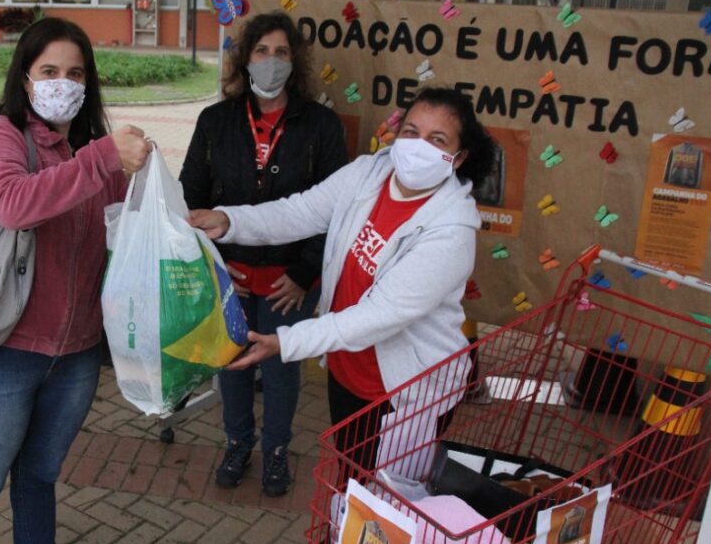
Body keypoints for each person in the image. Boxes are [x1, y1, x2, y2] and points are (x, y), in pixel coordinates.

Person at [190, 87, 495, 477]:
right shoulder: (371, 172)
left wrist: (287, 341)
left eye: (437, 140)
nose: (419, 147)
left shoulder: (451, 230)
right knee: (351, 476)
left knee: (386, 505)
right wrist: (231, 221)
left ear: (459, 157)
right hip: (348, 370)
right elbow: (299, 212)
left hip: (406, 392)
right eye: (412, 132)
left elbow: (377, 316)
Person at [0, 17, 152, 544]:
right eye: (50, 70)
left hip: (74, 355)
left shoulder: (94, 150)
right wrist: (101, 159)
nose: (64, 83)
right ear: (25, 79)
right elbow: (14, 204)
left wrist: (178, 233)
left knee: (38, 479)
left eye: (76, 73)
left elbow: (125, 229)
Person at [179, 11, 347, 497]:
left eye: (281, 52)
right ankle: (237, 443)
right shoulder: (215, 120)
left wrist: (302, 273)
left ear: (294, 62)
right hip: (228, 272)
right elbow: (192, 194)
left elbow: (334, 207)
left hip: (286, 281)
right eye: (261, 51)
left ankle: (275, 450)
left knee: (279, 368)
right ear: (245, 59)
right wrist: (213, 256)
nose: (271, 61)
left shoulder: (321, 125)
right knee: (230, 365)